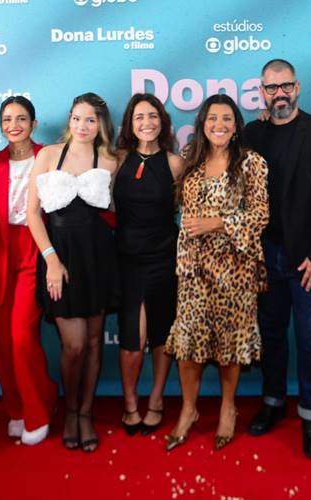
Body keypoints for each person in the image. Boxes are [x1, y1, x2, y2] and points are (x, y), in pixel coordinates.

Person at [244, 59, 311, 460]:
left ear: (298, 87)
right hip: (265, 257)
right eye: (271, 88)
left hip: (310, 261)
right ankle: (272, 402)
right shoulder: (251, 134)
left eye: (285, 86)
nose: (280, 94)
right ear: (262, 92)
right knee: (271, 336)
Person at [164, 94, 269, 451]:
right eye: (212, 118)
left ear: (236, 125)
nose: (219, 124)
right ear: (202, 124)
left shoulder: (251, 163)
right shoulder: (190, 160)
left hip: (235, 270)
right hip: (194, 270)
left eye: (226, 118)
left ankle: (228, 407)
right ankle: (188, 409)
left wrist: (217, 223)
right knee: (188, 344)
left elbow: (261, 215)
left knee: (230, 344)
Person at [26, 92, 118, 452]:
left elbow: (123, 203)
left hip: (97, 256)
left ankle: (86, 413)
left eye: (91, 120)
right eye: (77, 118)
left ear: (101, 125)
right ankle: (69, 410)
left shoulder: (110, 160)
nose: (83, 126)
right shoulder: (48, 155)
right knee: (74, 345)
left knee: (94, 341)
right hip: (59, 256)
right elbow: (33, 214)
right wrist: (51, 259)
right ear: (69, 120)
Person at [0, 96, 58, 446]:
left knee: (22, 338)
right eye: (7, 119)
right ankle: (17, 410)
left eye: (21, 118)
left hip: (35, 250)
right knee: (2, 340)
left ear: (33, 124)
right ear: (0, 125)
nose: (14, 125)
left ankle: (39, 411)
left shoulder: (48, 156)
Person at [113, 93, 184, 436]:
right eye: (139, 116)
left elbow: (188, 207)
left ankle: (156, 399)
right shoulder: (117, 159)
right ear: (130, 123)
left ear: (162, 121)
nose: (147, 123)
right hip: (127, 259)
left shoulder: (175, 163)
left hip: (165, 257)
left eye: (153, 116)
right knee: (133, 337)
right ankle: (130, 402)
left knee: (161, 333)